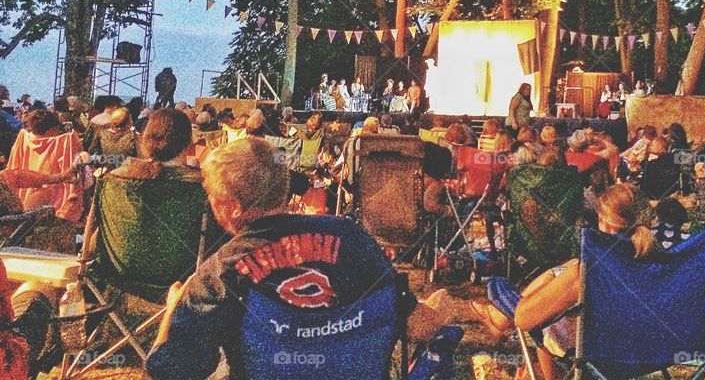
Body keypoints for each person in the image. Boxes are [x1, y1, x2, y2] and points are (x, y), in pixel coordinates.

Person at [146, 138, 452, 380]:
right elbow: (418, 328)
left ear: (231, 207)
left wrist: (174, 307)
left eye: (211, 198)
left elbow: (172, 369)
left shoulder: (221, 272)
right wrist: (439, 309)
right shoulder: (353, 239)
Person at [469, 183, 658, 380]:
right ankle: (502, 317)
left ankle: (501, 315)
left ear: (606, 223)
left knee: (545, 322)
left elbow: (524, 320)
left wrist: (553, 277)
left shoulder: (587, 271)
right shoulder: (663, 265)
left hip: (596, 351)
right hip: (647, 354)